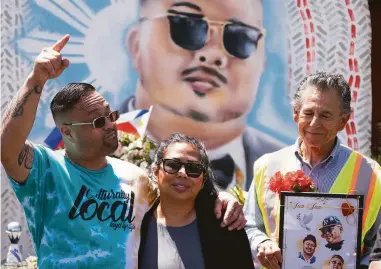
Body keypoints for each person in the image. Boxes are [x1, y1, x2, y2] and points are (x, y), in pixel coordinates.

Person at [0, 35, 247, 269]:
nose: (110, 125)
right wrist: (36, 80)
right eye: (97, 122)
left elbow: (181, 194)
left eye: (110, 115)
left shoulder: (136, 178)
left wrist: (221, 198)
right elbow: (7, 146)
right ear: (67, 132)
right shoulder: (46, 170)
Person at [122, 0, 284, 190]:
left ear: (262, 63)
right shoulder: (88, 148)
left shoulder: (289, 168)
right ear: (136, 44)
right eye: (187, 25)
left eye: (240, 37)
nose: (213, 53)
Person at [243, 72, 381, 269]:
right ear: (295, 114)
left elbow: (374, 245)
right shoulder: (267, 166)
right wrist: (261, 243)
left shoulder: (371, 174)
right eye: (308, 113)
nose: (314, 123)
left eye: (325, 115)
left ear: (343, 121)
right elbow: (250, 224)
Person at [138, 133, 254, 269]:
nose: (182, 173)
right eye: (172, 165)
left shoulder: (226, 227)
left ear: (203, 179)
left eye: (193, 168)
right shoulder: (134, 222)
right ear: (155, 171)